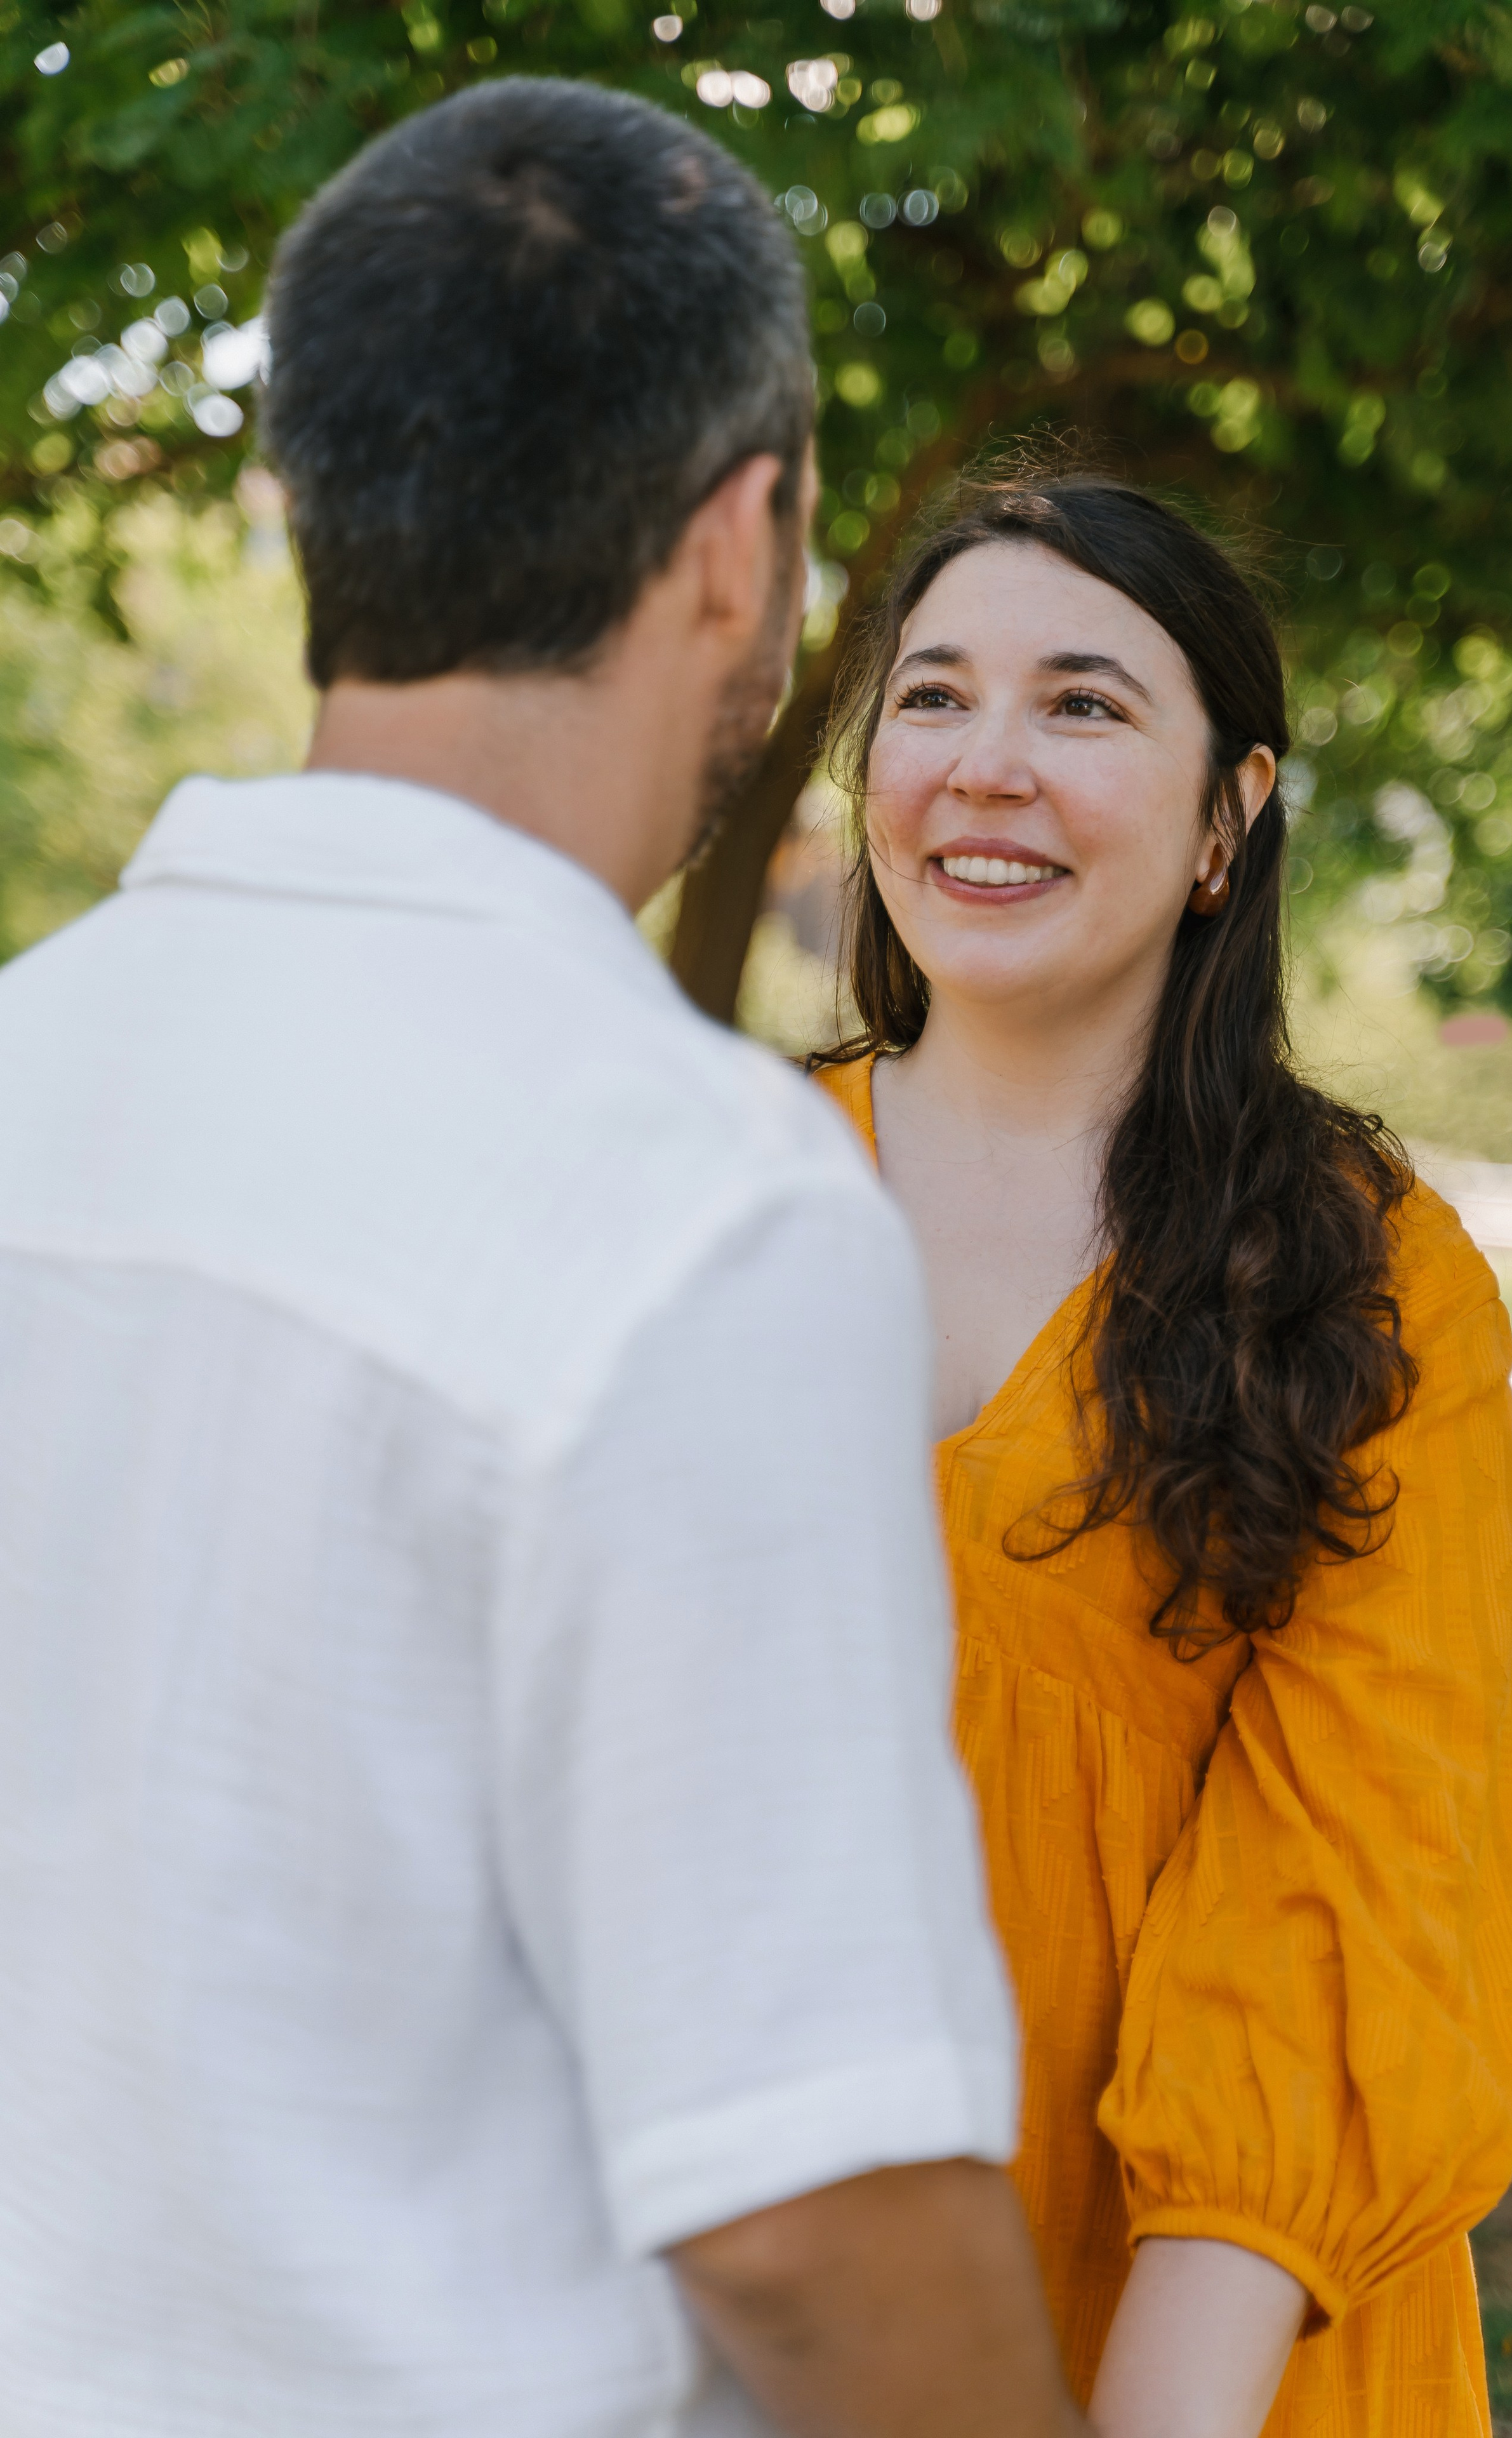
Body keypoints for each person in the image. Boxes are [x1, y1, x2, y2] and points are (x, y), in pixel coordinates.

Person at [0, 84, 1090, 2438]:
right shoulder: (698, 1205)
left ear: (312, 505)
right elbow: (811, 2212)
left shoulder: (26, 1068)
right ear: (742, 539)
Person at [812, 472, 1512, 2438]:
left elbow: (1360, 1891)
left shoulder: (1375, 1280)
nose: (986, 765)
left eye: (1082, 705)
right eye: (932, 695)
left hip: (1221, 2362)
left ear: (1232, 818)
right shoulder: (700, 1191)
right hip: (762, 2324)